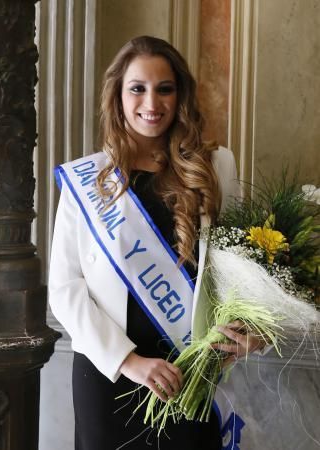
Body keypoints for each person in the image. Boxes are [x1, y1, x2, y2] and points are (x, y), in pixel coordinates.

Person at [49, 35, 265, 450]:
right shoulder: (85, 180)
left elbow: (240, 264)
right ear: (118, 95)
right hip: (111, 375)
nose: (152, 102)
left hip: (190, 372)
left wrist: (251, 327)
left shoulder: (217, 166)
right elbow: (64, 289)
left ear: (180, 94)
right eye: (138, 88)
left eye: (164, 88)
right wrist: (128, 362)